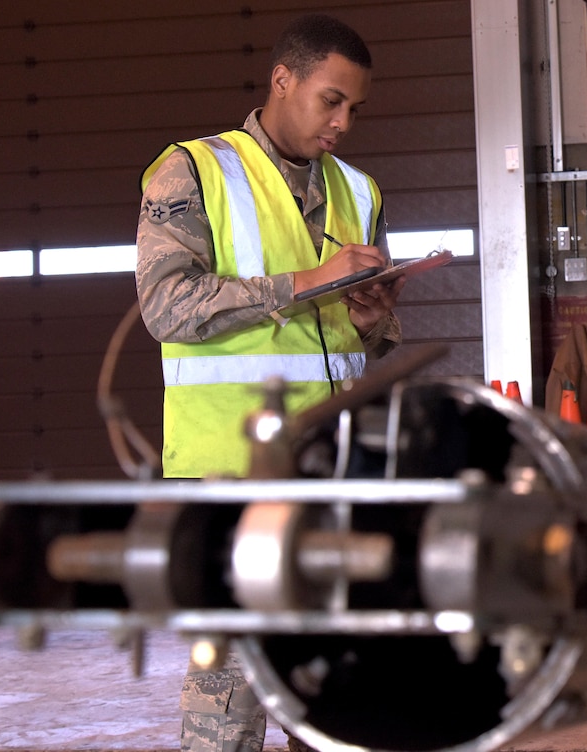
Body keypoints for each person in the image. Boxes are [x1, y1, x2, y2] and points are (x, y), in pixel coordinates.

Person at [135, 13, 404, 752]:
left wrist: (374, 314)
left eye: (355, 108)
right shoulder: (192, 172)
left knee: (336, 706)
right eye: (331, 100)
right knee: (230, 705)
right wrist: (306, 282)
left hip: (334, 480)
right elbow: (165, 307)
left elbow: (366, 343)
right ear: (282, 81)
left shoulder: (360, 191)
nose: (344, 122)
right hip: (231, 478)